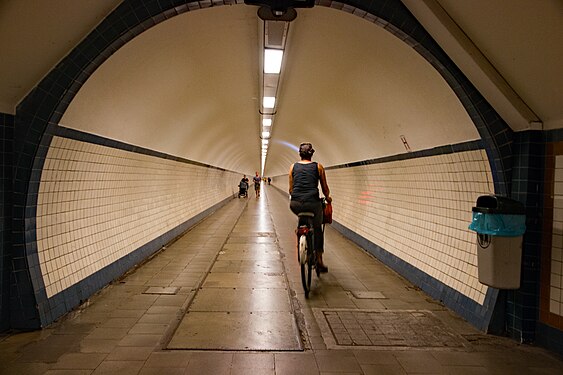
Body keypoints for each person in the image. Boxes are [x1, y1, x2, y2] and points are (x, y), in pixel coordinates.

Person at [289, 142, 332, 272]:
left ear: (299, 154)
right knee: (317, 227)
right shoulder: (318, 167)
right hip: (313, 204)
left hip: (295, 204)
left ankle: (300, 238)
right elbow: (325, 189)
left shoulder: (292, 167)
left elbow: (291, 189)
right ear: (312, 153)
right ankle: (319, 260)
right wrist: (328, 197)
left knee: (301, 220)